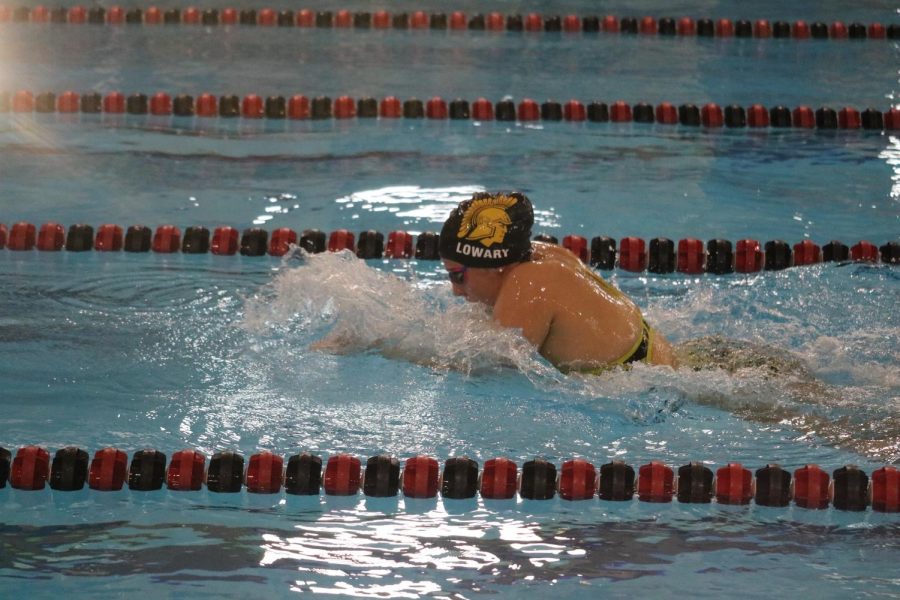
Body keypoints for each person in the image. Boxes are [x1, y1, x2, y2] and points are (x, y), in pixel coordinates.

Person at [438, 191, 677, 373]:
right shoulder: (545, 254)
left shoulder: (527, 286)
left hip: (648, 389)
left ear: (491, 265)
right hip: (664, 359)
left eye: (458, 276)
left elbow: (486, 369)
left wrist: (409, 353)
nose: (456, 291)